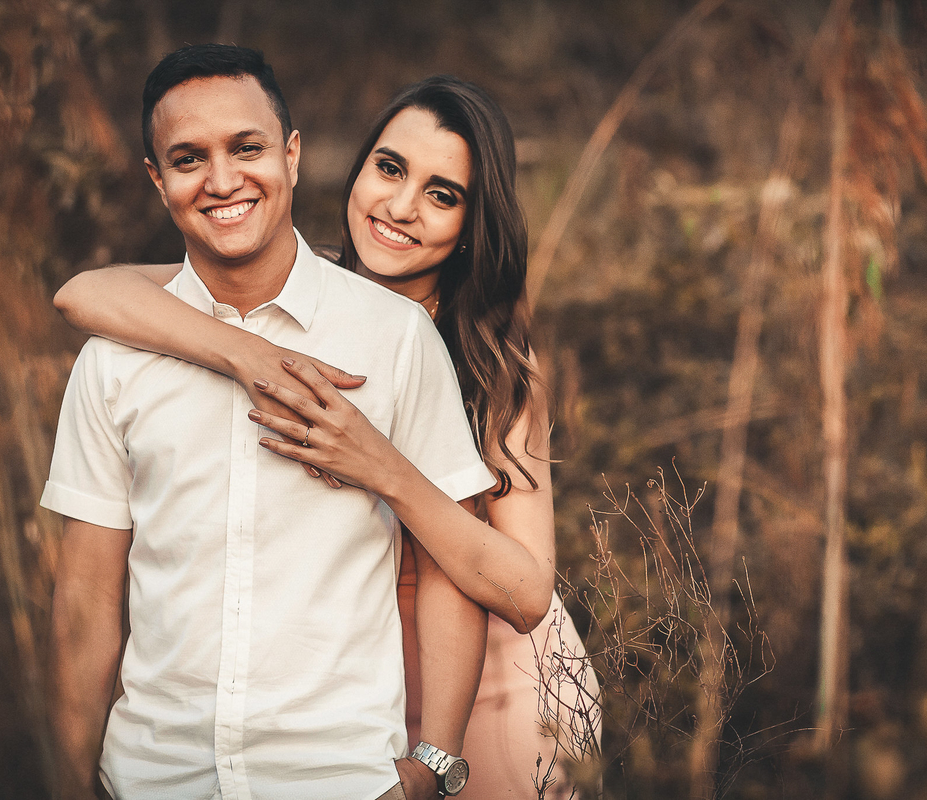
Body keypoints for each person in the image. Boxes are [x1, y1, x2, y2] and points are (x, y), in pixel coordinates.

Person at [55, 75, 601, 797]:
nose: (401, 207)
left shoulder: (497, 370)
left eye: (443, 195)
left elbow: (528, 591)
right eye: (390, 168)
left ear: (473, 223)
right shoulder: (298, 286)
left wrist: (384, 466)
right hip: (347, 689)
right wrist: (250, 357)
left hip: (496, 683)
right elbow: (88, 293)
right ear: (350, 166)